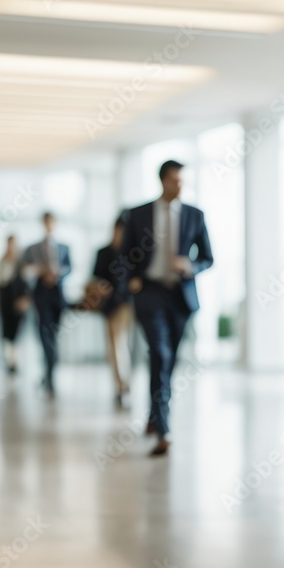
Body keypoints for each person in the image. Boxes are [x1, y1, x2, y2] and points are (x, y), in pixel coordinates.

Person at [119, 160, 213, 456]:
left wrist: (191, 265)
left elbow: (208, 257)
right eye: (175, 180)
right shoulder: (138, 214)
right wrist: (131, 280)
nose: (180, 185)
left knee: (168, 359)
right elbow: (123, 257)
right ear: (163, 181)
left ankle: (153, 414)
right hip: (150, 292)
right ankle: (164, 427)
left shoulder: (195, 215)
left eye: (183, 180)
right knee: (159, 353)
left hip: (181, 295)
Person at [24, 213, 70, 397]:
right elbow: (26, 270)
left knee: (53, 337)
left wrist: (57, 274)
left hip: (58, 297)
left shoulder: (64, 247)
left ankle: (48, 373)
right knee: (45, 336)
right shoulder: (32, 249)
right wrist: (41, 272)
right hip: (41, 296)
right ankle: (49, 377)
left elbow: (69, 268)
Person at [92, 218, 133, 405]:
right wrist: (100, 287)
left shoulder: (130, 253)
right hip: (107, 306)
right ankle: (120, 384)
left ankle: (123, 383)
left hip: (124, 304)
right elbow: (96, 277)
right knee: (113, 346)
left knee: (119, 343)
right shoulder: (103, 253)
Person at [0, 235, 26, 374]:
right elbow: (0, 282)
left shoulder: (21, 263)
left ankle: (15, 361)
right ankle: (8, 361)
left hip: (18, 301)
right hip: (4, 300)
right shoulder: (1, 261)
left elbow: (26, 283)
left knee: (16, 332)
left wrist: (25, 299)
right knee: (6, 332)